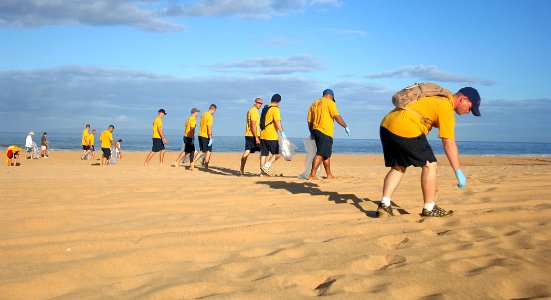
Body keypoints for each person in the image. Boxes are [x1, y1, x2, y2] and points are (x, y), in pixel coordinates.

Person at [377, 86, 481, 218]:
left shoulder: (436, 99)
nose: (469, 112)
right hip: (407, 127)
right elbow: (448, 143)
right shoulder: (446, 107)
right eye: (470, 108)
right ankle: (429, 208)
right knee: (430, 165)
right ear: (463, 99)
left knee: (399, 166)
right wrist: (458, 171)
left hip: (386, 125)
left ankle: (384, 204)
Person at [307, 89, 350, 180]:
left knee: (326, 154)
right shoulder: (330, 103)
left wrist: (312, 132)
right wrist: (345, 126)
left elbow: (309, 121)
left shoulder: (314, 104)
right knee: (321, 153)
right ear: (331, 96)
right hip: (325, 131)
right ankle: (312, 175)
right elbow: (336, 116)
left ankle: (329, 174)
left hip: (315, 130)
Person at [259, 94, 286, 176]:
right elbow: (277, 121)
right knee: (279, 153)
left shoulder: (266, 108)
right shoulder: (275, 109)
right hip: (271, 135)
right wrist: (282, 132)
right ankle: (266, 167)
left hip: (263, 134)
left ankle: (262, 173)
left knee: (264, 154)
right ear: (279, 102)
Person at [240, 98, 263, 175]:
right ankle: (262, 171)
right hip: (253, 135)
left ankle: (241, 170)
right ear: (255, 102)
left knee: (247, 151)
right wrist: (256, 137)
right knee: (263, 151)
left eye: (261, 103)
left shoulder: (251, 110)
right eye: (259, 103)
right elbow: (253, 124)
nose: (260, 104)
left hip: (248, 134)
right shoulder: (253, 111)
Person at [191, 104, 217, 171]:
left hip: (200, 134)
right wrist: (210, 137)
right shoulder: (210, 117)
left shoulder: (203, 114)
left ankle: (203, 165)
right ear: (213, 110)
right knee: (206, 151)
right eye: (215, 111)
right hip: (206, 135)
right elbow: (209, 127)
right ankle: (196, 163)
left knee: (205, 151)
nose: (214, 113)